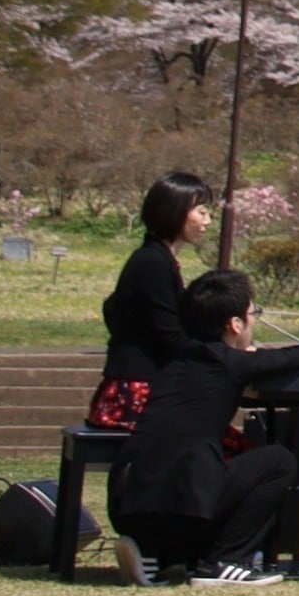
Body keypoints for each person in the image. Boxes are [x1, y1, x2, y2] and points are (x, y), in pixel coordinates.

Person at [109, 268, 299, 587]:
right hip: (178, 506)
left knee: (194, 465)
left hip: (127, 501)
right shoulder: (228, 362)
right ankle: (222, 561)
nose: (254, 321)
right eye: (253, 314)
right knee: (278, 462)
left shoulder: (179, 357)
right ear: (235, 324)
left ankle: (157, 556)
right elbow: (286, 358)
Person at [89, 173, 209, 431]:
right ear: (176, 211)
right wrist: (224, 355)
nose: (207, 220)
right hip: (136, 396)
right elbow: (170, 336)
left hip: (145, 388)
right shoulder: (153, 263)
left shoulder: (156, 259)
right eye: (201, 212)